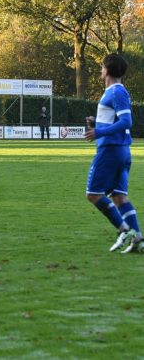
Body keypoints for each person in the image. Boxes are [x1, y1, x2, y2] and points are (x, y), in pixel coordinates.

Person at [84, 53, 142, 253]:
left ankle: (124, 230)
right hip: (120, 150)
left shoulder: (116, 92)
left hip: (111, 150)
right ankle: (138, 240)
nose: (101, 71)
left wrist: (99, 131)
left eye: (101, 68)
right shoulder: (113, 92)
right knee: (119, 197)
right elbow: (115, 120)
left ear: (106, 70)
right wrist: (96, 122)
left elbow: (127, 122)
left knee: (93, 194)